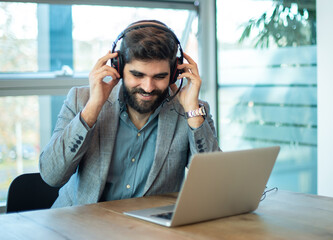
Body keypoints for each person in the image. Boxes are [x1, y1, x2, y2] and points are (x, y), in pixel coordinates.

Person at [39, 20, 220, 208]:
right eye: (138, 75)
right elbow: (52, 175)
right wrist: (93, 108)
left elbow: (215, 184)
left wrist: (193, 112)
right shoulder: (81, 99)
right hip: (80, 225)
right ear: (118, 67)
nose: (148, 88)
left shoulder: (192, 111)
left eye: (159, 77)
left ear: (175, 73)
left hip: (148, 230)